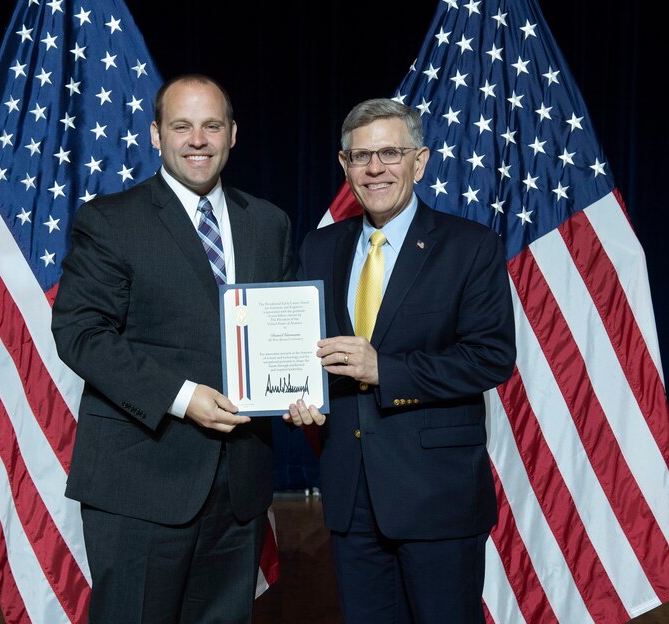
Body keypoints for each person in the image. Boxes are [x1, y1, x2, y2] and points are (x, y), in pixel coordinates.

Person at [51, 74, 320, 624]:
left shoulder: (267, 222)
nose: (198, 139)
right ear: (156, 135)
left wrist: (300, 387)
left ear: (233, 134)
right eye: (182, 126)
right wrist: (180, 396)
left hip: (239, 486)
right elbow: (81, 334)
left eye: (211, 126)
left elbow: (284, 330)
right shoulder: (110, 220)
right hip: (140, 483)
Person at [291, 98, 516, 623]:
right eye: (361, 156)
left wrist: (384, 370)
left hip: (437, 495)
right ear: (344, 165)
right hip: (351, 495)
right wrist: (295, 394)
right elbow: (306, 351)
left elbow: (491, 358)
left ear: (419, 162)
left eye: (390, 153)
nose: (375, 168)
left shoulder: (469, 246)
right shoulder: (319, 247)